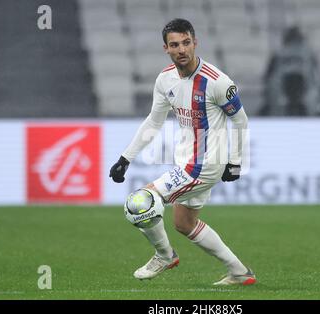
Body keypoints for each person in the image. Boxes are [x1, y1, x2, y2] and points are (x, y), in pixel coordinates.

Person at [109, 19, 255, 286]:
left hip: (205, 164)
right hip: (187, 160)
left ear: (195, 42)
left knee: (140, 202)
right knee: (184, 223)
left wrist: (235, 162)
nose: (181, 49)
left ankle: (164, 256)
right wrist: (125, 158)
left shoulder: (217, 82)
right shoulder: (165, 79)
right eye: (174, 44)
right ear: (166, 48)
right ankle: (239, 272)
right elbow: (154, 121)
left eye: (186, 42)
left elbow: (241, 120)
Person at [260, 25, 320, 116]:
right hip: (306, 91)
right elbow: (318, 76)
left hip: (281, 92)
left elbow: (268, 77)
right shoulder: (308, 53)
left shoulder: (279, 53)